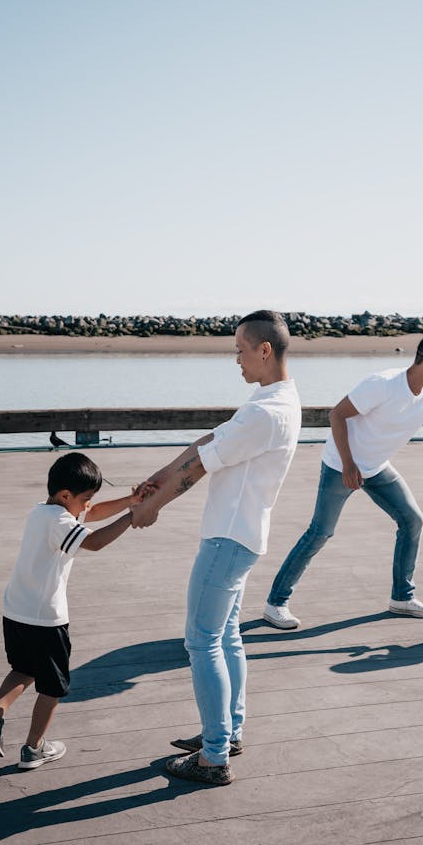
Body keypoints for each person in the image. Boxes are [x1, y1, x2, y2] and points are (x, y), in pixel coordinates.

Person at [131, 310, 301, 787]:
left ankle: (213, 757)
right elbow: (210, 443)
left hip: (228, 540)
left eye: (239, 350)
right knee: (226, 636)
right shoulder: (274, 399)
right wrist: (160, 476)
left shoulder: (266, 413)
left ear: (264, 350)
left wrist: (152, 507)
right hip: (243, 536)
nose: (236, 360)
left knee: (201, 639)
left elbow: (200, 469)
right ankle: (229, 732)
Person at [263, 332, 423, 630]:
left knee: (412, 519)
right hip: (341, 464)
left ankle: (402, 597)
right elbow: (337, 415)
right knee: (320, 532)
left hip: (375, 467)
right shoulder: (383, 384)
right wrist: (349, 464)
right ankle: (276, 603)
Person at [0, 452, 144, 769]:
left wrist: (130, 500)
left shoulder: (43, 512)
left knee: (25, 668)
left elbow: (89, 513)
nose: (88, 505)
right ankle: (34, 748)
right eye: (86, 498)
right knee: (53, 687)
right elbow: (95, 542)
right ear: (66, 496)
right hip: (45, 620)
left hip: (16, 610)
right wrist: (132, 517)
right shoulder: (61, 522)